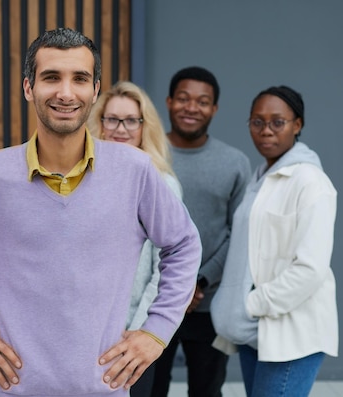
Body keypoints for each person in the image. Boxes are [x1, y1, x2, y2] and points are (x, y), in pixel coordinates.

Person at [0, 28, 202, 397]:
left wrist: (155, 331)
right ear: (29, 88)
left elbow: (184, 245)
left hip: (106, 390)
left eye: (79, 79)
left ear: (95, 90)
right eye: (51, 78)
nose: (65, 92)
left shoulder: (136, 171)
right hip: (16, 390)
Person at [210, 86, 338, 396]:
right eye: (257, 121)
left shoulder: (310, 181)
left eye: (277, 122)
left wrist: (251, 305)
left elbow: (310, 269)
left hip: (290, 333)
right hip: (258, 333)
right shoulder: (261, 178)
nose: (266, 130)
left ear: (298, 125)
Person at [151, 66, 251, 397]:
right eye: (183, 98)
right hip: (152, 300)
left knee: (207, 391)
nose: (191, 107)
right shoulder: (148, 156)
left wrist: (198, 282)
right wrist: (174, 287)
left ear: (215, 108)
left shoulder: (234, 162)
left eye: (203, 101)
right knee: (148, 389)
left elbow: (238, 235)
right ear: (168, 102)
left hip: (207, 303)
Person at [87, 80, 182, 397]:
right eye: (112, 119)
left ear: (145, 127)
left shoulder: (161, 184)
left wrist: (142, 330)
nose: (120, 129)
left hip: (130, 336)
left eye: (131, 120)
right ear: (100, 125)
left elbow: (165, 267)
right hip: (83, 332)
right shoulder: (82, 179)